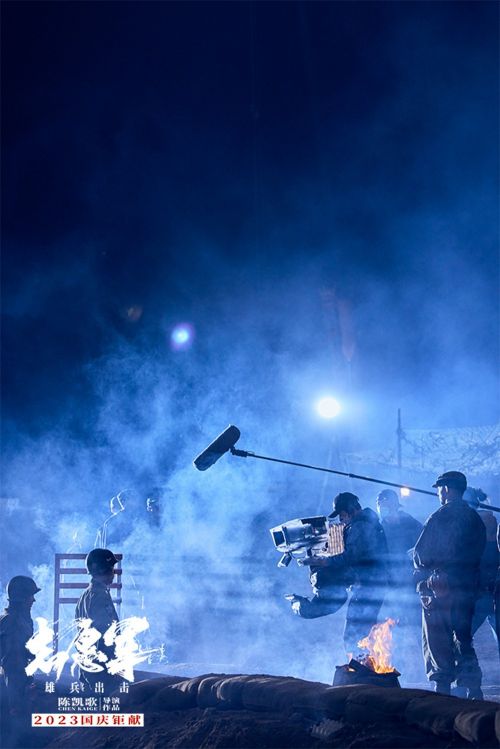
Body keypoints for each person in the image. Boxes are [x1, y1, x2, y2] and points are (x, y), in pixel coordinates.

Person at [413, 471, 486, 698]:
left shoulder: (440, 517)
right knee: (463, 637)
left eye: (439, 489)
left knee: (437, 637)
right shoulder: (474, 518)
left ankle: (442, 687)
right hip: (468, 587)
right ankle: (473, 688)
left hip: (440, 587)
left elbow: (421, 555)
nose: (438, 493)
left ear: (445, 489)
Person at [289, 492, 389, 653]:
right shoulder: (364, 523)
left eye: (342, 514)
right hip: (369, 586)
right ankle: (363, 664)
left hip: (369, 587)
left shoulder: (361, 526)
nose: (341, 519)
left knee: (355, 636)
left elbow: (351, 556)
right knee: (359, 634)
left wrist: (324, 561)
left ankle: (361, 666)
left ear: (350, 510)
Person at [75, 548, 121, 694]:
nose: (114, 572)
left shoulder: (86, 595)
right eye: (111, 568)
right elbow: (105, 633)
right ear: (104, 570)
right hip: (101, 667)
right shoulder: (100, 596)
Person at [0, 576, 41, 735]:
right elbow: (12, 663)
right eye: (31, 596)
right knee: (18, 733)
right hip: (15, 688)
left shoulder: (17, 619)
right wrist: (19, 697)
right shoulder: (13, 622)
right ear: (22, 599)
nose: (33, 600)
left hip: (18, 683)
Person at [463, 488, 499, 646]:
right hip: (489, 587)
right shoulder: (488, 519)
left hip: (482, 590)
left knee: (463, 637)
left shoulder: (478, 521)